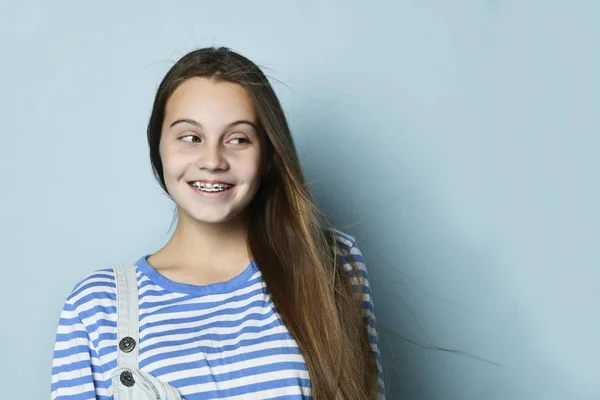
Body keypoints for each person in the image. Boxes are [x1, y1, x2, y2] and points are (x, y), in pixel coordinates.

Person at [51, 47, 385, 400]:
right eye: (190, 137)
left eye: (238, 139)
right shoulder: (96, 308)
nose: (212, 161)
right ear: (157, 142)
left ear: (269, 154)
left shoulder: (331, 264)